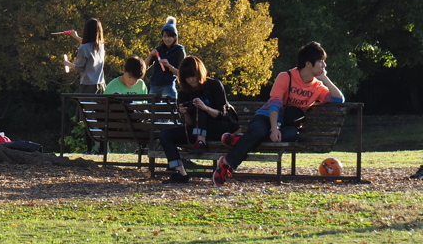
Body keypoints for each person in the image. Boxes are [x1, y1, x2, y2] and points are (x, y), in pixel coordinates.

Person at [213, 41, 344, 187]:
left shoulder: (318, 86)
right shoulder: (286, 77)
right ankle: (226, 163)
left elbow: (339, 99)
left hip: (287, 124)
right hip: (266, 116)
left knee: (291, 135)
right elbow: (275, 103)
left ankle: (242, 140)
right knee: (259, 130)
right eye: (321, 62)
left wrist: (325, 79)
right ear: (308, 64)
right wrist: (274, 128)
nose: (324, 66)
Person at [158, 56, 239, 184]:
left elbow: (222, 114)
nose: (191, 79)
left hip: (219, 126)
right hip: (197, 128)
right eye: (187, 77)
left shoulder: (214, 85)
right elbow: (190, 123)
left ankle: (201, 142)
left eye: (193, 75)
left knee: (199, 107)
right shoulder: (184, 92)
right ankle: (180, 172)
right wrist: (185, 113)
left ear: (199, 73)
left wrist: (205, 108)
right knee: (165, 134)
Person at [62, 19, 106, 154]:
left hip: (87, 87)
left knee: (87, 119)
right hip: (101, 86)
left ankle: (89, 149)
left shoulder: (83, 48)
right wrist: (75, 37)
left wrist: (67, 63)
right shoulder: (101, 46)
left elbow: (80, 68)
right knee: (100, 118)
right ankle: (102, 149)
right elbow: (88, 46)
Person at [145, 16, 185, 99]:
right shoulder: (159, 49)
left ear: (175, 37)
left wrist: (169, 66)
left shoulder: (179, 50)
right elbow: (143, 68)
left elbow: (182, 73)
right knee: (151, 110)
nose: (166, 39)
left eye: (169, 36)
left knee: (169, 110)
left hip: (168, 86)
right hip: (154, 86)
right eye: (164, 36)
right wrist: (150, 55)